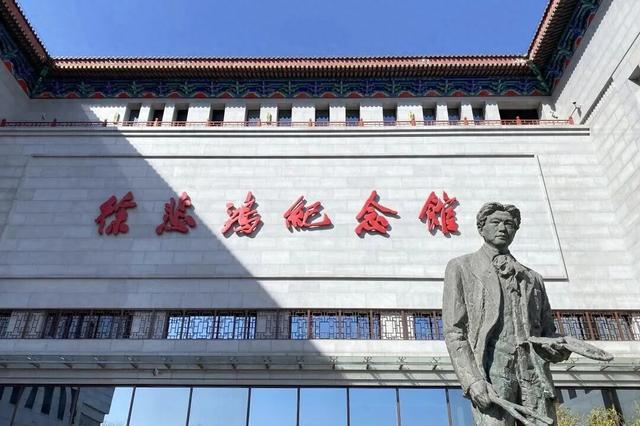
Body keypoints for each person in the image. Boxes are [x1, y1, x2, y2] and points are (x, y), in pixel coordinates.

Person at [443, 202, 570, 425]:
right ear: (481, 228)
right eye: (496, 222)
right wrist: (473, 381)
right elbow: (455, 332)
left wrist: (560, 348)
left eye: (509, 224)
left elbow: (547, 332)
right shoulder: (462, 267)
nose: (502, 228)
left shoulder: (533, 278)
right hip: (492, 374)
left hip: (534, 376)